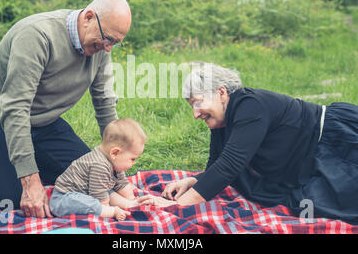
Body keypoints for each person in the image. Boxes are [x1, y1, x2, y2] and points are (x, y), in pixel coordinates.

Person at [0, 0, 132, 218]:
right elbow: (15, 108)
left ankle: (31, 158)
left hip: (44, 123)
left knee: (93, 177)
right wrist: (30, 181)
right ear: (89, 17)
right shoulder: (37, 36)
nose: (109, 48)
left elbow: (105, 105)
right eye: (108, 39)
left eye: (115, 43)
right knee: (14, 200)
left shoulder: (100, 48)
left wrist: (117, 173)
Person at [140, 62, 358, 224]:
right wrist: (193, 181)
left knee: (340, 204)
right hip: (307, 159)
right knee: (304, 205)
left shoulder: (249, 105)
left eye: (198, 103)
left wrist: (177, 206)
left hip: (336, 140)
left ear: (221, 92)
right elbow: (218, 162)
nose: (196, 114)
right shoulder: (222, 120)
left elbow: (230, 166)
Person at [49, 118, 146, 221]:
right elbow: (100, 199)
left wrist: (131, 199)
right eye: (132, 159)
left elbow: (122, 184)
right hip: (64, 198)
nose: (134, 163)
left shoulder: (115, 163)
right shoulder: (99, 165)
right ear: (115, 153)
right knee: (94, 201)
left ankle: (128, 204)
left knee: (108, 191)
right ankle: (112, 211)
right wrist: (107, 209)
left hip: (86, 192)